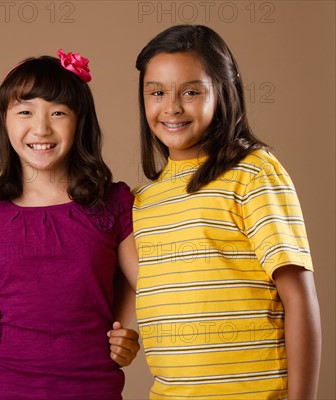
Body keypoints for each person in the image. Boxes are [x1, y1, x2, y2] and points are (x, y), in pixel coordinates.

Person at [132, 24, 321, 399]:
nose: (171, 107)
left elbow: (298, 296)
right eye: (156, 92)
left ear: (224, 92)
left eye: (191, 91)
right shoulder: (143, 201)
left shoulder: (253, 172)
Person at [0, 50, 141, 400]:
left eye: (58, 113)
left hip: (94, 387)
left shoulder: (114, 201)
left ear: (81, 122)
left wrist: (125, 330)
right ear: (3, 121)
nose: (41, 128)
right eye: (25, 112)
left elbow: (146, 284)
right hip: (10, 387)